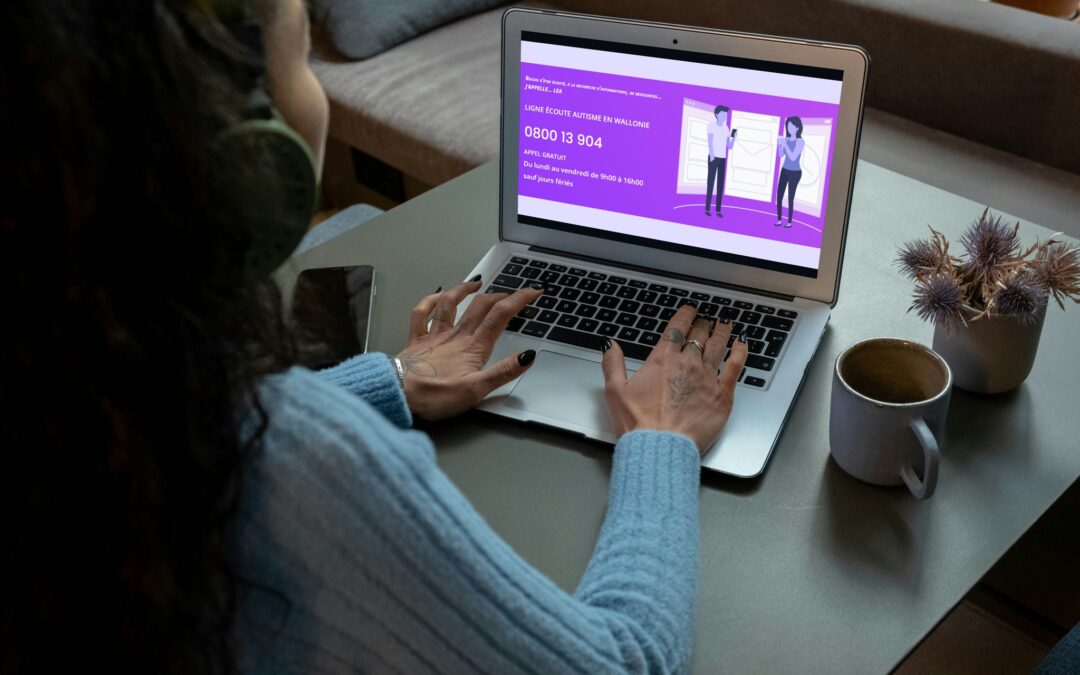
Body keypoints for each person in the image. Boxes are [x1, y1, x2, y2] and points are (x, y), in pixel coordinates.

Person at [0, 0, 750, 673]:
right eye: (302, 59)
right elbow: (627, 664)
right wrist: (662, 441)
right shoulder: (298, 465)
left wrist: (388, 377)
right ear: (244, 149)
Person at [705, 105, 736, 217]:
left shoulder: (726, 128)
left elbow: (730, 146)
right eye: (723, 114)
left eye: (726, 115)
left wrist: (734, 138)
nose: (724, 116)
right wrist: (712, 156)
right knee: (710, 183)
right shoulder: (711, 125)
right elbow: (710, 141)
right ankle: (707, 208)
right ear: (717, 114)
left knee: (720, 185)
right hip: (713, 157)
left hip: (723, 158)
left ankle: (718, 210)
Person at [775, 116, 805, 228]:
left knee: (790, 197)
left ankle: (789, 221)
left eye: (791, 126)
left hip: (795, 172)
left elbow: (793, 157)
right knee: (779, 195)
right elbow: (781, 154)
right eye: (788, 126)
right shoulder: (786, 139)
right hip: (785, 170)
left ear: (797, 128)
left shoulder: (800, 141)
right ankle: (779, 220)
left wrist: (785, 143)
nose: (789, 128)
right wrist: (780, 144)